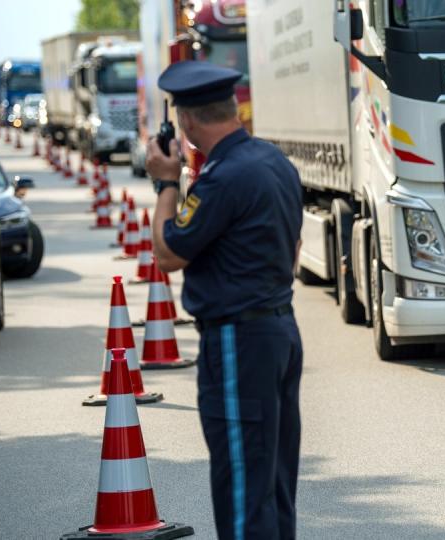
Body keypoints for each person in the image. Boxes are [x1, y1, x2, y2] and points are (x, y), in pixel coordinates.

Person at [145, 60, 304, 539]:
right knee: (272, 483)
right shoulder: (271, 159)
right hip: (277, 327)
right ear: (232, 106)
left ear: (188, 122)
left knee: (241, 488)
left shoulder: (223, 176)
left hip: (239, 339)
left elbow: (169, 252)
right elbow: (292, 249)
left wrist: (167, 183)